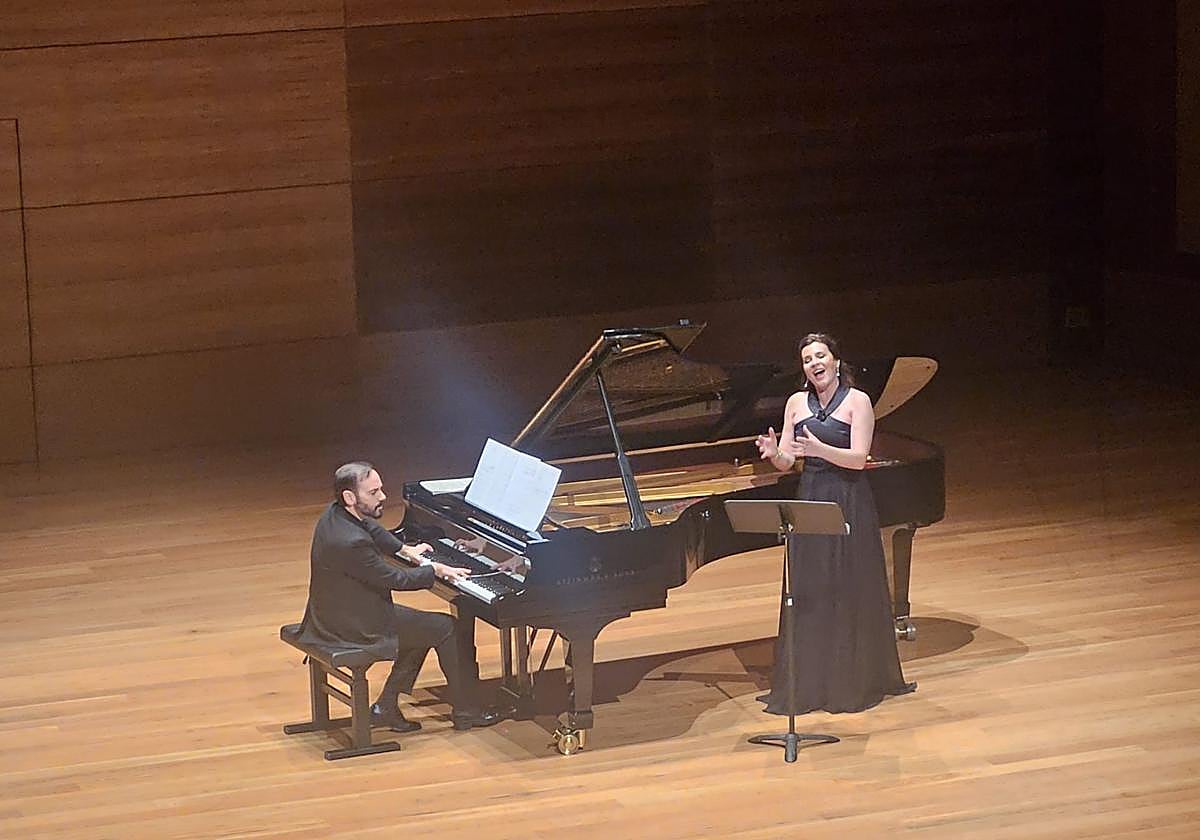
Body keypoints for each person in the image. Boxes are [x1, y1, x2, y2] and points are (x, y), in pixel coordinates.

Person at [754, 333, 916, 714]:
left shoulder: (858, 402)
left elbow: (859, 458)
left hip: (848, 500)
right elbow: (789, 460)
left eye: (821, 355)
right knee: (812, 587)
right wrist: (775, 453)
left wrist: (819, 449)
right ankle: (811, 682)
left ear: (837, 361)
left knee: (847, 584)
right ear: (804, 369)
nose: (815, 363)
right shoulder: (796, 402)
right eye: (808, 359)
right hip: (810, 496)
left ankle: (850, 681)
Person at [294, 461, 502, 732]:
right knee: (446, 628)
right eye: (373, 492)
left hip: (334, 613)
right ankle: (467, 711)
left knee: (422, 628)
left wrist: (405, 549)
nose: (382, 496)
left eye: (381, 489)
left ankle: (386, 706)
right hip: (354, 625)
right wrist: (434, 569)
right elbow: (395, 579)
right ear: (349, 497)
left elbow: (371, 528)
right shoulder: (350, 542)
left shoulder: (335, 515)